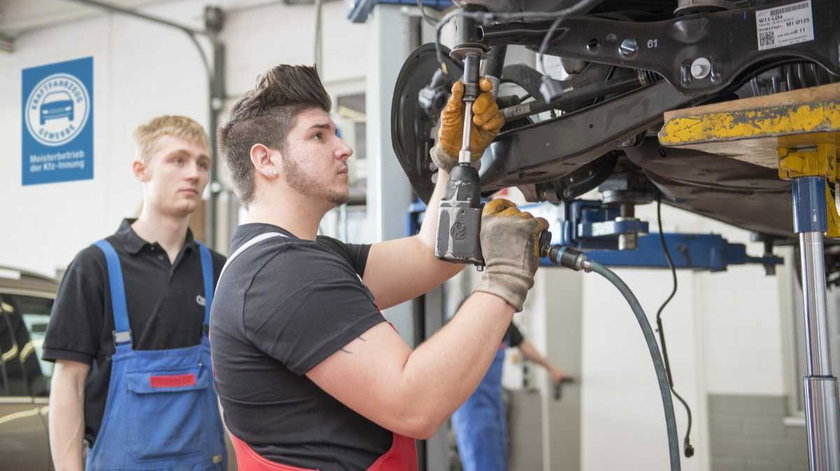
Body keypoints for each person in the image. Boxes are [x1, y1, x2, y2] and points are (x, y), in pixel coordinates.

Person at [211, 64, 548, 471]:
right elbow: (415, 404)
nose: (343, 147)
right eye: (319, 135)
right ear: (266, 160)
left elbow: (431, 255)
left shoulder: (294, 257)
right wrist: (506, 278)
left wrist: (455, 161)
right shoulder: (281, 275)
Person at [43, 116, 228, 471]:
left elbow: (231, 386)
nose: (194, 173)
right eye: (178, 160)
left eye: (202, 163)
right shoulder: (94, 266)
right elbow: (69, 384)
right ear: (141, 170)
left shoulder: (218, 271)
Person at [452, 321, 569, 471]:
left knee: (497, 461)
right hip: (472, 407)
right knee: (480, 459)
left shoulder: (506, 321)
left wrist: (551, 369)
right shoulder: (471, 313)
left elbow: (524, 346)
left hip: (494, 404)